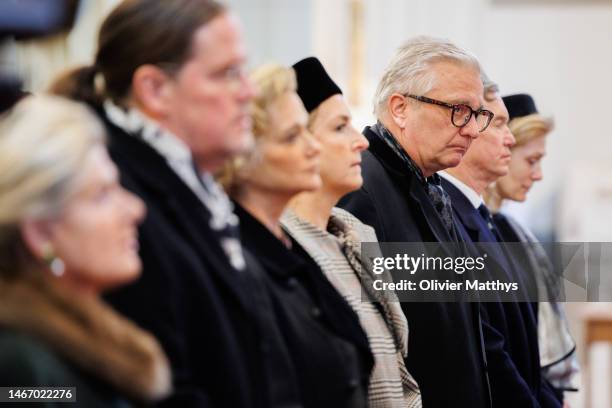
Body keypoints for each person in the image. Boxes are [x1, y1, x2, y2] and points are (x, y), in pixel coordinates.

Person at [49, 1, 301, 406]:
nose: (248, 91)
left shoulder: (191, 183)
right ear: (154, 89)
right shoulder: (118, 198)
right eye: (228, 73)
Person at [338, 36, 493, 407]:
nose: (471, 129)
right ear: (400, 108)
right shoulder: (362, 188)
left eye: (477, 114)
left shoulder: (430, 183)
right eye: (458, 110)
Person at [219, 63, 373, 408]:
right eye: (292, 136)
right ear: (243, 155)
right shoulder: (241, 260)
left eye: (307, 131)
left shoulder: (294, 251)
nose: (312, 148)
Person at [0, 95, 171, 407]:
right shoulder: (22, 373)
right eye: (102, 195)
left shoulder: (89, 333)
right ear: (41, 232)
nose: (135, 209)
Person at [281, 56, 421, 408]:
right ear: (302, 141)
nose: (361, 141)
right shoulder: (284, 247)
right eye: (339, 127)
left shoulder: (356, 233)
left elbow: (399, 368)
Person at [438, 76, 562, 407]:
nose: (506, 140)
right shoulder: (450, 217)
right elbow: (488, 346)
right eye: (499, 126)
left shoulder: (493, 223)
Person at [486, 93, 579, 403]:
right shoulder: (481, 231)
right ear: (502, 149)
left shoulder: (512, 230)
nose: (538, 175)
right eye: (531, 160)